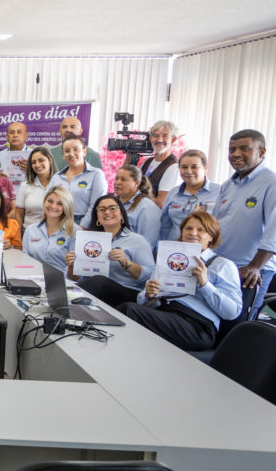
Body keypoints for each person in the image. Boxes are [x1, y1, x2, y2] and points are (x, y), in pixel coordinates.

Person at [120, 212, 242, 352]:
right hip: (164, 311)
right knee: (128, 312)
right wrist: (147, 294)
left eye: (200, 230)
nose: (193, 233)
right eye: (188, 228)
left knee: (129, 311)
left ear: (211, 237)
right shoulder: (170, 258)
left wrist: (205, 284)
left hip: (196, 325)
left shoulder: (223, 265)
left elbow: (232, 312)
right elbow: (141, 299)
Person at [213, 129, 276, 320]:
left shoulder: (271, 182)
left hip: (250, 270)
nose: (236, 154)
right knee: (218, 322)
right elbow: (214, 226)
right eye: (232, 150)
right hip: (222, 266)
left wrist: (255, 266)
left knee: (238, 327)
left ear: (261, 152)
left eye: (244, 149)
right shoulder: (228, 184)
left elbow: (274, 230)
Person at [65, 194, 155, 308]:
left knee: (99, 281)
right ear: (97, 217)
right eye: (102, 210)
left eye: (112, 208)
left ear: (122, 214)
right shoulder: (90, 241)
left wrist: (126, 262)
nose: (107, 212)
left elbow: (150, 275)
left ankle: (67, 307)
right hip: (95, 291)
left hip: (127, 293)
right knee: (76, 284)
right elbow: (76, 278)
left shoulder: (137, 240)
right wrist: (72, 265)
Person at [159, 150, 219, 242]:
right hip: (175, 249)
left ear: (205, 168)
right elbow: (165, 225)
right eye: (184, 167)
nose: (189, 171)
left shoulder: (219, 192)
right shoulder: (173, 192)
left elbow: (224, 225)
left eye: (194, 167)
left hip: (204, 249)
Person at [48, 135, 107, 228]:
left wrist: (82, 227)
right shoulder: (57, 177)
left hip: (86, 224)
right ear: (63, 155)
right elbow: (48, 202)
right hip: (59, 222)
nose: (71, 154)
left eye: (75, 149)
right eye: (67, 151)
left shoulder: (96, 174)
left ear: (84, 151)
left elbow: (97, 205)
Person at [21, 185, 75, 272]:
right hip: (33, 279)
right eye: (50, 201)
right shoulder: (30, 230)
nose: (53, 206)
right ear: (44, 202)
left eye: (59, 203)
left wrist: (72, 265)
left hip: (63, 282)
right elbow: (25, 261)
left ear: (66, 206)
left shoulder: (74, 231)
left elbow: (76, 276)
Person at [114, 165, 161, 248]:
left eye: (123, 179)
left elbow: (147, 244)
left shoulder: (147, 208)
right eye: (116, 178)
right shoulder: (112, 203)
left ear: (137, 183)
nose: (118, 182)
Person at [139, 120, 181, 207]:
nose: (159, 140)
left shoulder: (174, 167)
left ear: (173, 140)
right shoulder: (147, 162)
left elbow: (161, 202)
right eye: (155, 135)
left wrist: (133, 199)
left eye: (165, 136)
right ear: (150, 139)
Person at [14, 146, 57, 230]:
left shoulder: (60, 184)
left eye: (41, 160)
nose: (37, 165)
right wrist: (18, 239)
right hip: (29, 233)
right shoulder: (25, 186)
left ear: (50, 160)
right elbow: (18, 215)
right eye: (33, 162)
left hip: (53, 234)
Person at [0, 122, 30, 186]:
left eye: (19, 132)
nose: (15, 135)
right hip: (5, 194)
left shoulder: (35, 155)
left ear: (26, 135)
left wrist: (32, 170)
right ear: (7, 136)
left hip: (29, 194)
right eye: (12, 132)